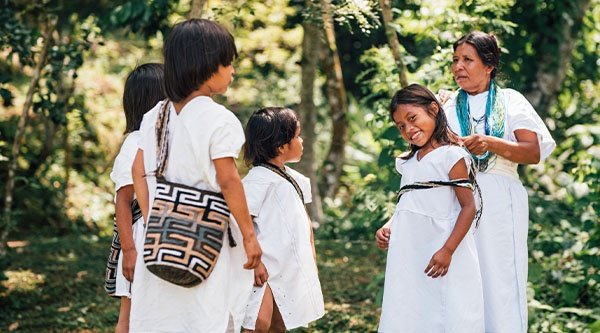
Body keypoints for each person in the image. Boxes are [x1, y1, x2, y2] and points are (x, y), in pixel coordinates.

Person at [128, 19, 262, 333]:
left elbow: (138, 170)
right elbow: (229, 181)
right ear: (207, 65)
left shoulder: (155, 115)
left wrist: (152, 219)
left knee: (161, 317)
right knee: (204, 315)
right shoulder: (219, 118)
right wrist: (249, 236)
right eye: (228, 63)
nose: (232, 71)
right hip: (203, 238)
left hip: (162, 240)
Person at [443, 31, 556, 332]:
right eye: (455, 60)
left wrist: (490, 143)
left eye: (467, 60)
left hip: (501, 202)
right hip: (455, 201)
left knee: (501, 279)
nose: (458, 67)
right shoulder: (446, 107)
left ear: (489, 64)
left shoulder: (510, 101)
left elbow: (532, 153)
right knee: (462, 279)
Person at [375, 84, 484, 332]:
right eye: (401, 126)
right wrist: (388, 226)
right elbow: (406, 204)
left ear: (433, 109)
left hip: (441, 248)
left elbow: (469, 207)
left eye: (412, 118)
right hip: (409, 250)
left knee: (444, 308)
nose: (409, 129)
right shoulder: (408, 162)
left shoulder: (451, 155)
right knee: (410, 306)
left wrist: (447, 250)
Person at [240, 107, 325, 333]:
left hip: (288, 264)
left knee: (280, 322)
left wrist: (311, 260)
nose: (301, 140)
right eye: (296, 136)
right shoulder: (257, 181)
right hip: (265, 265)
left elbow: (304, 223)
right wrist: (255, 262)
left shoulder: (295, 178)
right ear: (280, 146)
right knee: (258, 322)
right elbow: (241, 220)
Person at [104, 63, 164, 333]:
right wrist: (129, 251)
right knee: (130, 315)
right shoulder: (136, 142)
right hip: (139, 238)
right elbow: (123, 201)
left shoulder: (168, 139)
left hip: (164, 234)